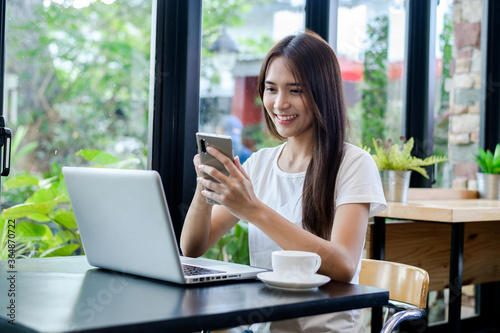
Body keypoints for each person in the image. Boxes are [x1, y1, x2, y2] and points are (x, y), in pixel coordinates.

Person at [180, 30, 386, 333]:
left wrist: (253, 211)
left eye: (295, 90)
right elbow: (193, 246)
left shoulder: (354, 164)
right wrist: (205, 186)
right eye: (271, 89)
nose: (279, 103)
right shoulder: (261, 164)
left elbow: (343, 266)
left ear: (322, 92)